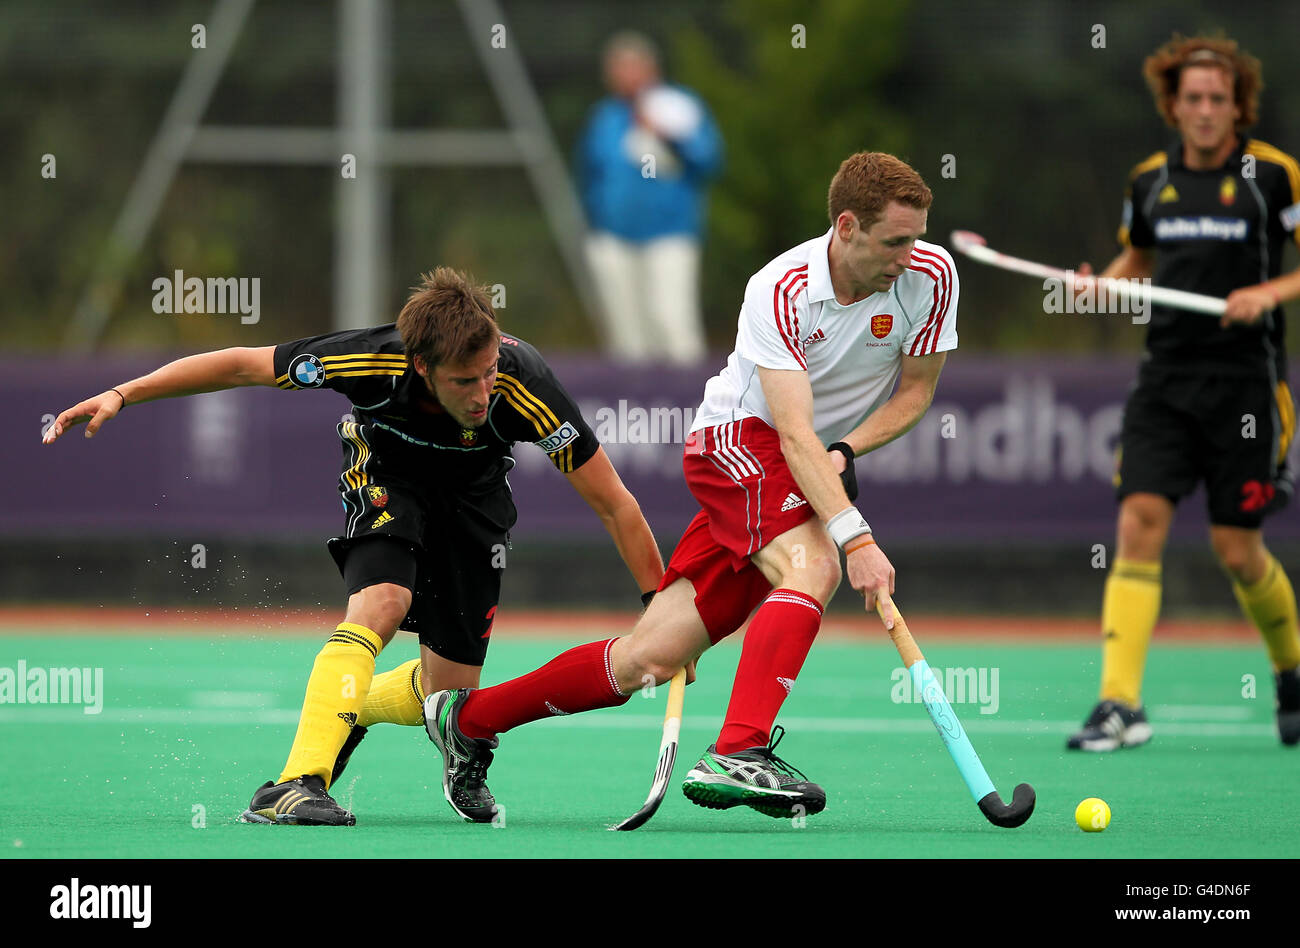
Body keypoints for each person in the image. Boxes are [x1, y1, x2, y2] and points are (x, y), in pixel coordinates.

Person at [422, 152, 958, 823]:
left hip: (810, 461)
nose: (911, 255)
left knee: (649, 657)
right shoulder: (782, 288)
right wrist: (857, 537)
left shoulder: (932, 277)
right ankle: (740, 750)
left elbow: (914, 395)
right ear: (846, 227)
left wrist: (847, 448)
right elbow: (790, 433)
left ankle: (470, 721)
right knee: (816, 561)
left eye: (917, 237)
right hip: (738, 444)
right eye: (895, 241)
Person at [41, 268, 665, 824]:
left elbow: (615, 503)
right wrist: (126, 392)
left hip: (474, 500)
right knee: (382, 604)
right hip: (385, 476)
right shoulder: (370, 360)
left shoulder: (524, 385)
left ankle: (348, 705)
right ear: (421, 366)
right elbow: (242, 364)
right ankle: (294, 784)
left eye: (489, 374)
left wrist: (659, 608)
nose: (483, 393)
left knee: (444, 696)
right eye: (464, 381)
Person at [1067, 35, 1300, 752]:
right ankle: (1119, 704)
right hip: (1165, 380)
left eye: (1217, 100)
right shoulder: (1150, 181)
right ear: (1173, 106)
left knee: (1238, 549)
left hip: (1247, 389)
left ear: (1237, 106)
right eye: (1192, 99)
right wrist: (1101, 285)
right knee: (1139, 519)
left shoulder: (1275, 176)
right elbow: (1138, 259)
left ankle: (1291, 671)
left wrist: (1266, 291)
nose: (1204, 111)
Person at [577, 30, 723, 365]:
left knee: (671, 319)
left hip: (670, 234)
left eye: (632, 66)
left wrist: (667, 134)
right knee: (626, 334)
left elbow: (709, 160)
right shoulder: (605, 118)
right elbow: (589, 174)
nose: (625, 75)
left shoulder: (679, 106)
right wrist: (597, 221)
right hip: (612, 238)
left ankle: (691, 405)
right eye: (618, 68)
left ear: (651, 68)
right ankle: (634, 408)